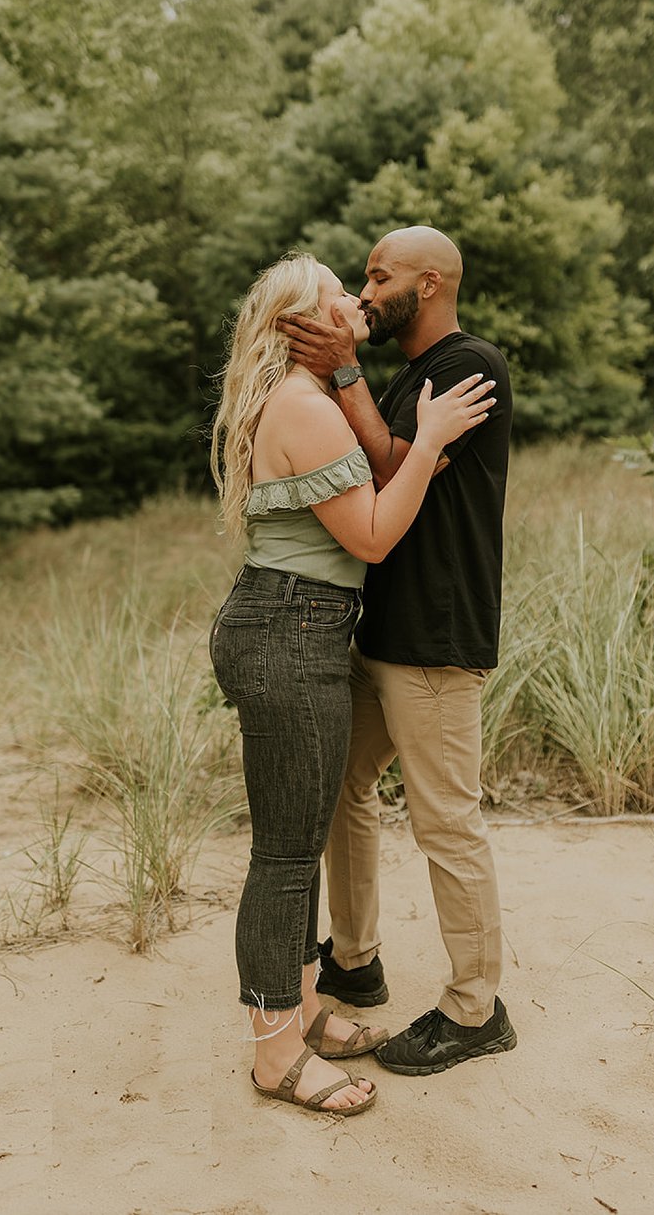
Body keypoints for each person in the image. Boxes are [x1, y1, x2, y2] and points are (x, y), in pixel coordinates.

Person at [208, 250, 496, 1115]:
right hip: (291, 627)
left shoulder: (308, 395)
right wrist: (433, 440)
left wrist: (397, 425)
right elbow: (372, 533)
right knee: (285, 857)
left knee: (295, 843)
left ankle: (302, 1014)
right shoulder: (303, 402)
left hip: (297, 624)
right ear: (304, 321)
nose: (357, 300)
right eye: (341, 292)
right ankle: (275, 1054)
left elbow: (374, 479)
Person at [279, 225, 517, 1075]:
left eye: (380, 277)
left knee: (446, 820)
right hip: (384, 629)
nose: (367, 291)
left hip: (437, 637)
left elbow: (388, 469)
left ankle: (475, 1006)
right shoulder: (412, 377)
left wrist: (344, 370)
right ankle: (356, 955)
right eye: (365, 278)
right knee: (348, 780)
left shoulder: (470, 366)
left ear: (431, 280)